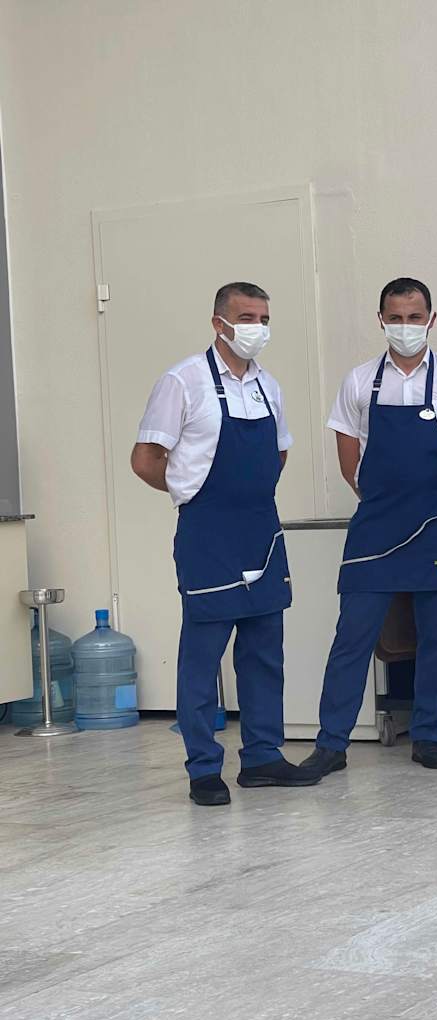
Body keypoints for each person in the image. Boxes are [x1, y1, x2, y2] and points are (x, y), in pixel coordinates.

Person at [131, 282, 320, 805]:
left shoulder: (269, 387)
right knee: (202, 654)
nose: (257, 327)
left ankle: (262, 758)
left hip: (261, 529)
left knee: (264, 651)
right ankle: (203, 768)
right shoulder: (182, 381)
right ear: (219, 323)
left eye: (264, 318)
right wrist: (189, 491)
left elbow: (279, 452)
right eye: (247, 317)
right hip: (208, 530)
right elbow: (145, 459)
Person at [300, 277, 437, 775]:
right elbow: (350, 463)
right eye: (396, 318)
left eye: (414, 317)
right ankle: (331, 744)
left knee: (436, 638)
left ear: (431, 319)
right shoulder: (358, 382)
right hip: (377, 527)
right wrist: (387, 502)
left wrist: (433, 502)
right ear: (381, 320)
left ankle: (428, 736)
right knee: (353, 635)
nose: (406, 326)